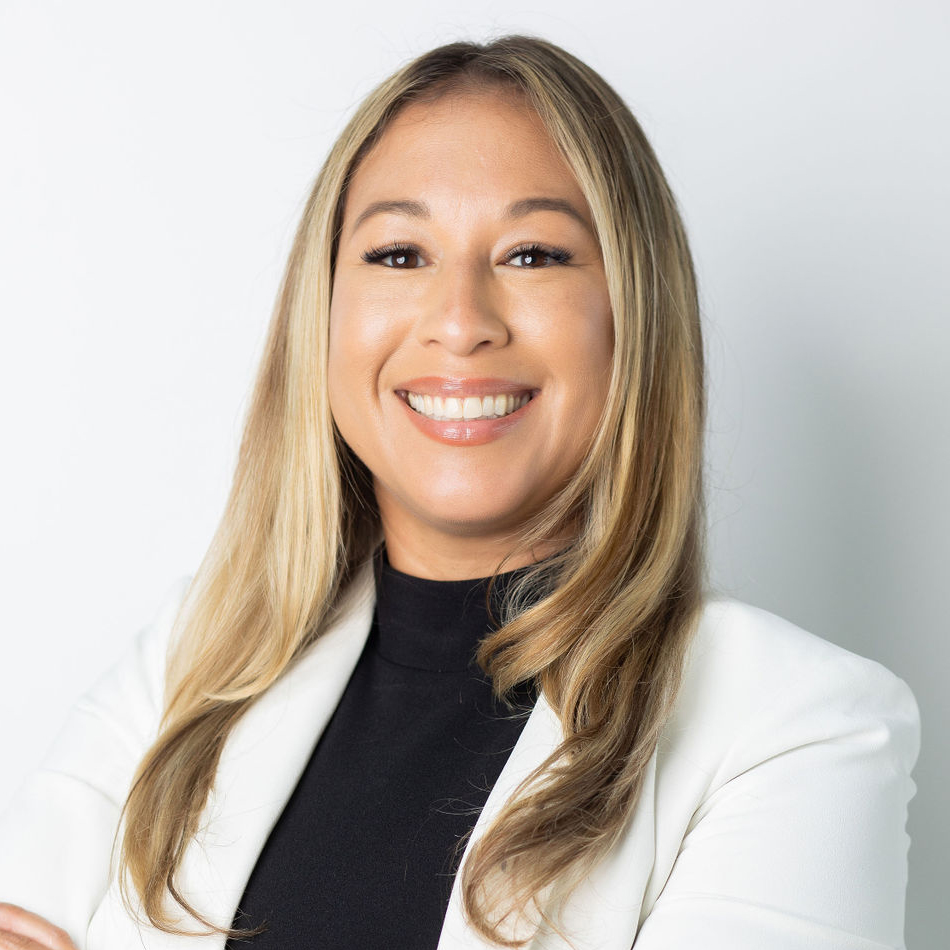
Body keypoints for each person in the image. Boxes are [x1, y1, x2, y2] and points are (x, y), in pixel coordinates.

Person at [0, 35, 919, 950]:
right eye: (400, 255)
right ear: (322, 312)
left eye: (533, 254)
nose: (459, 322)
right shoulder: (191, 658)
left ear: (632, 315)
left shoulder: (796, 728)